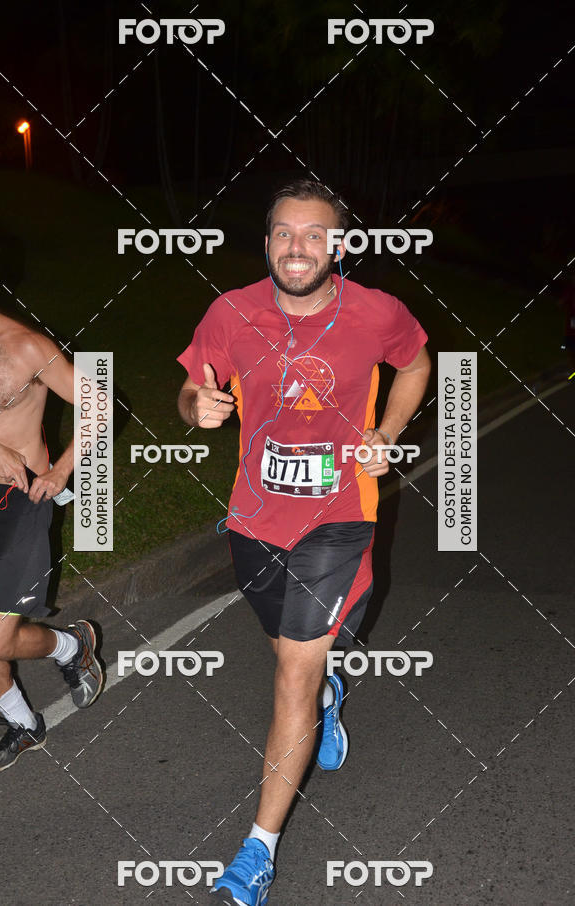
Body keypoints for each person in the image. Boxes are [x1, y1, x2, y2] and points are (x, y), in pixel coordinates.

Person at [177, 179, 430, 904]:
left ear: (339, 246)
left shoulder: (378, 313)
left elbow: (414, 365)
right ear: (266, 244)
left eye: (315, 235)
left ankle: (257, 851)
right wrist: (198, 406)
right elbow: (193, 386)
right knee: (288, 655)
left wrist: (387, 432)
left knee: (292, 672)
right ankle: (329, 691)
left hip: (339, 514)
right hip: (255, 518)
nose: (298, 248)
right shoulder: (231, 312)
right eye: (285, 234)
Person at [0, 226, 104, 774]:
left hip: (19, 502)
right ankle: (25, 724)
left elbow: (98, 403)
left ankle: (70, 646)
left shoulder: (25, 346)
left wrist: (60, 471)